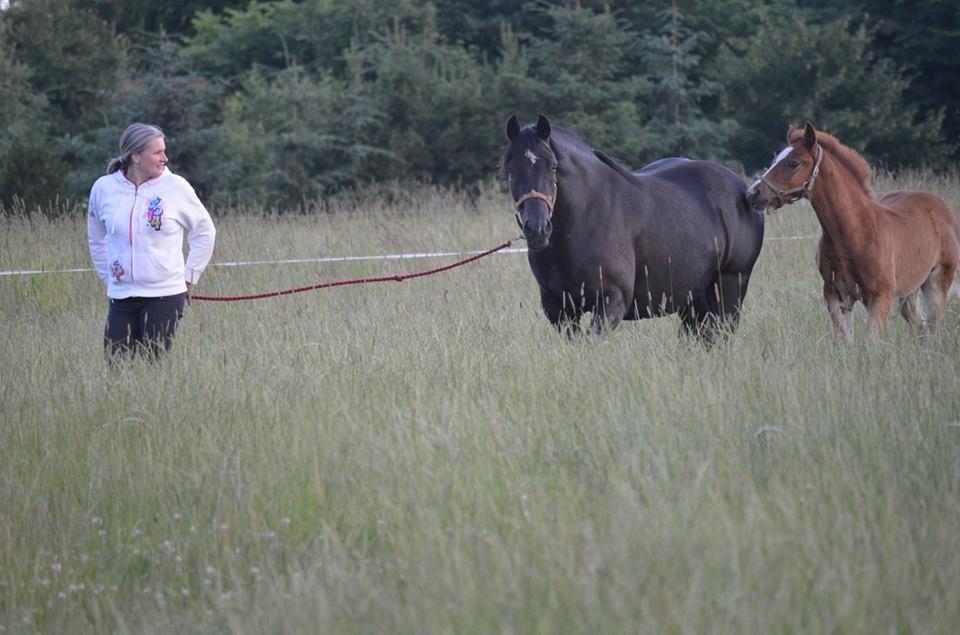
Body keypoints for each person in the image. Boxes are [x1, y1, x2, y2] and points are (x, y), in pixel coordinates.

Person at [87, 123, 216, 360]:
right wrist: (111, 278)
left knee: (153, 366)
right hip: (121, 297)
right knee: (116, 366)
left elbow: (205, 231)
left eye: (164, 151)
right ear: (135, 156)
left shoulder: (176, 187)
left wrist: (190, 276)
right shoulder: (103, 189)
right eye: (157, 152)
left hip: (165, 294)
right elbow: (96, 239)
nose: (164, 158)